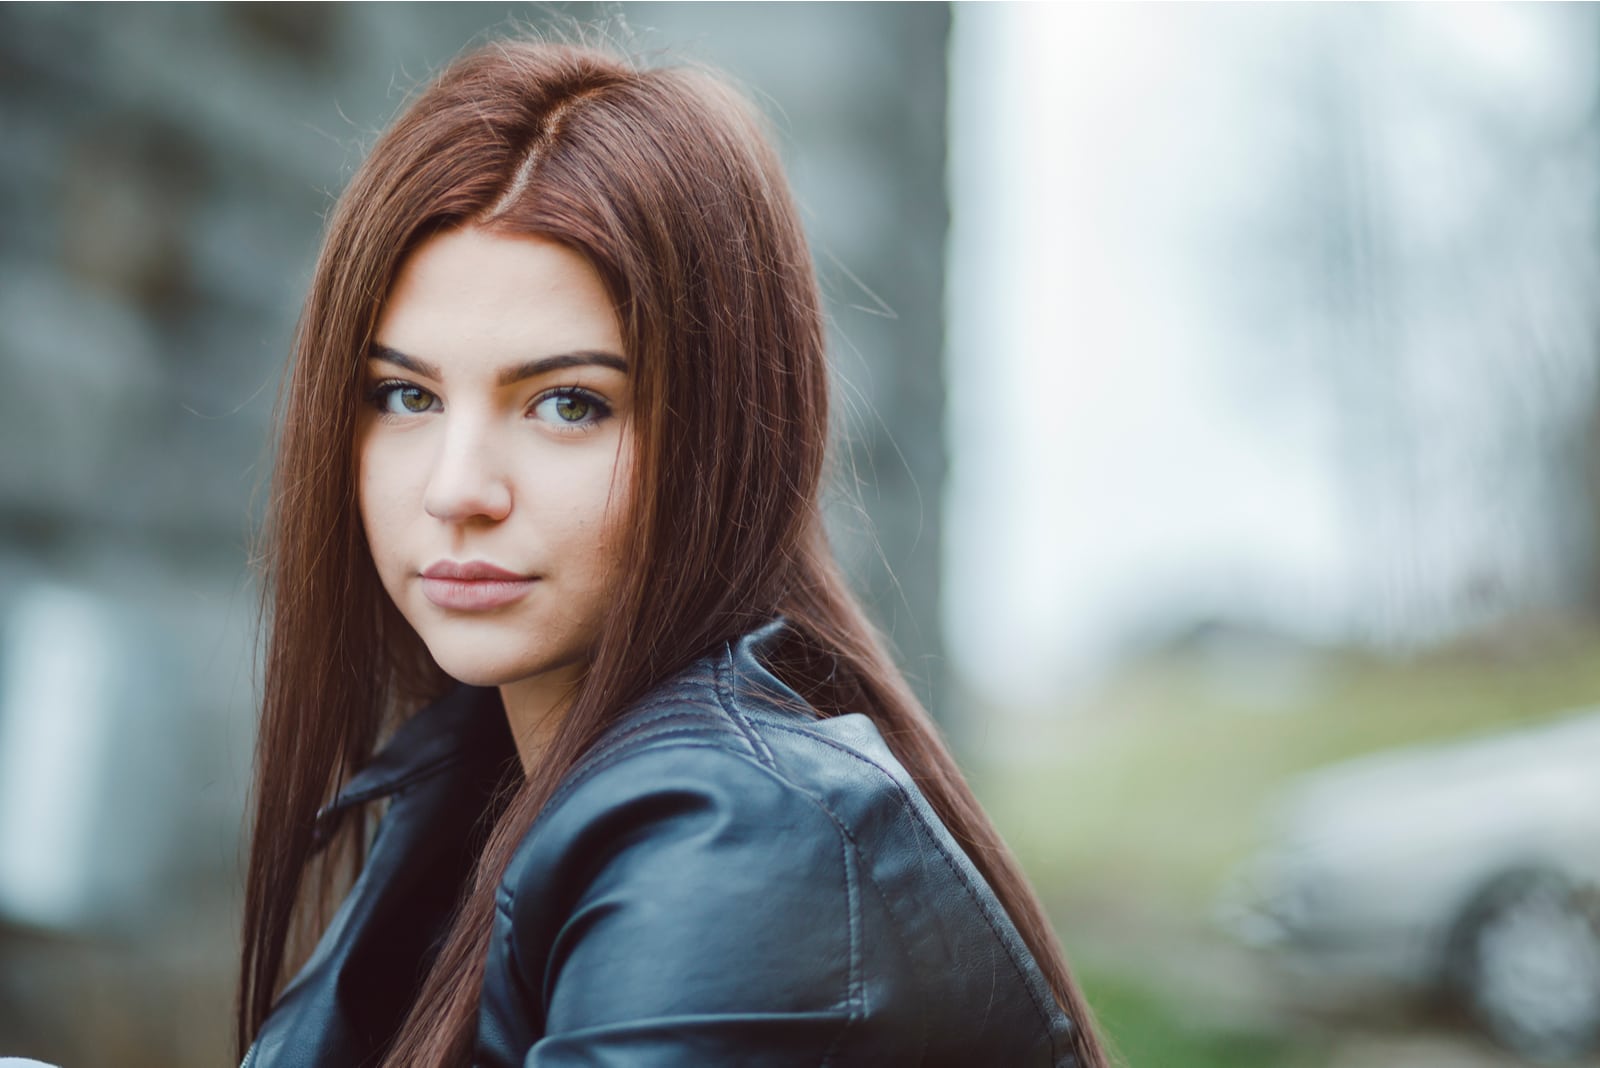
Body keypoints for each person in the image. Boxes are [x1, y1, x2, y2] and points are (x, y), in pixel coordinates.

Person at [237, 37, 1110, 1068]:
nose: (456, 489)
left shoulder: (729, 841)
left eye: (569, 404)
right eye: (405, 395)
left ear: (721, 437)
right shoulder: (480, 775)